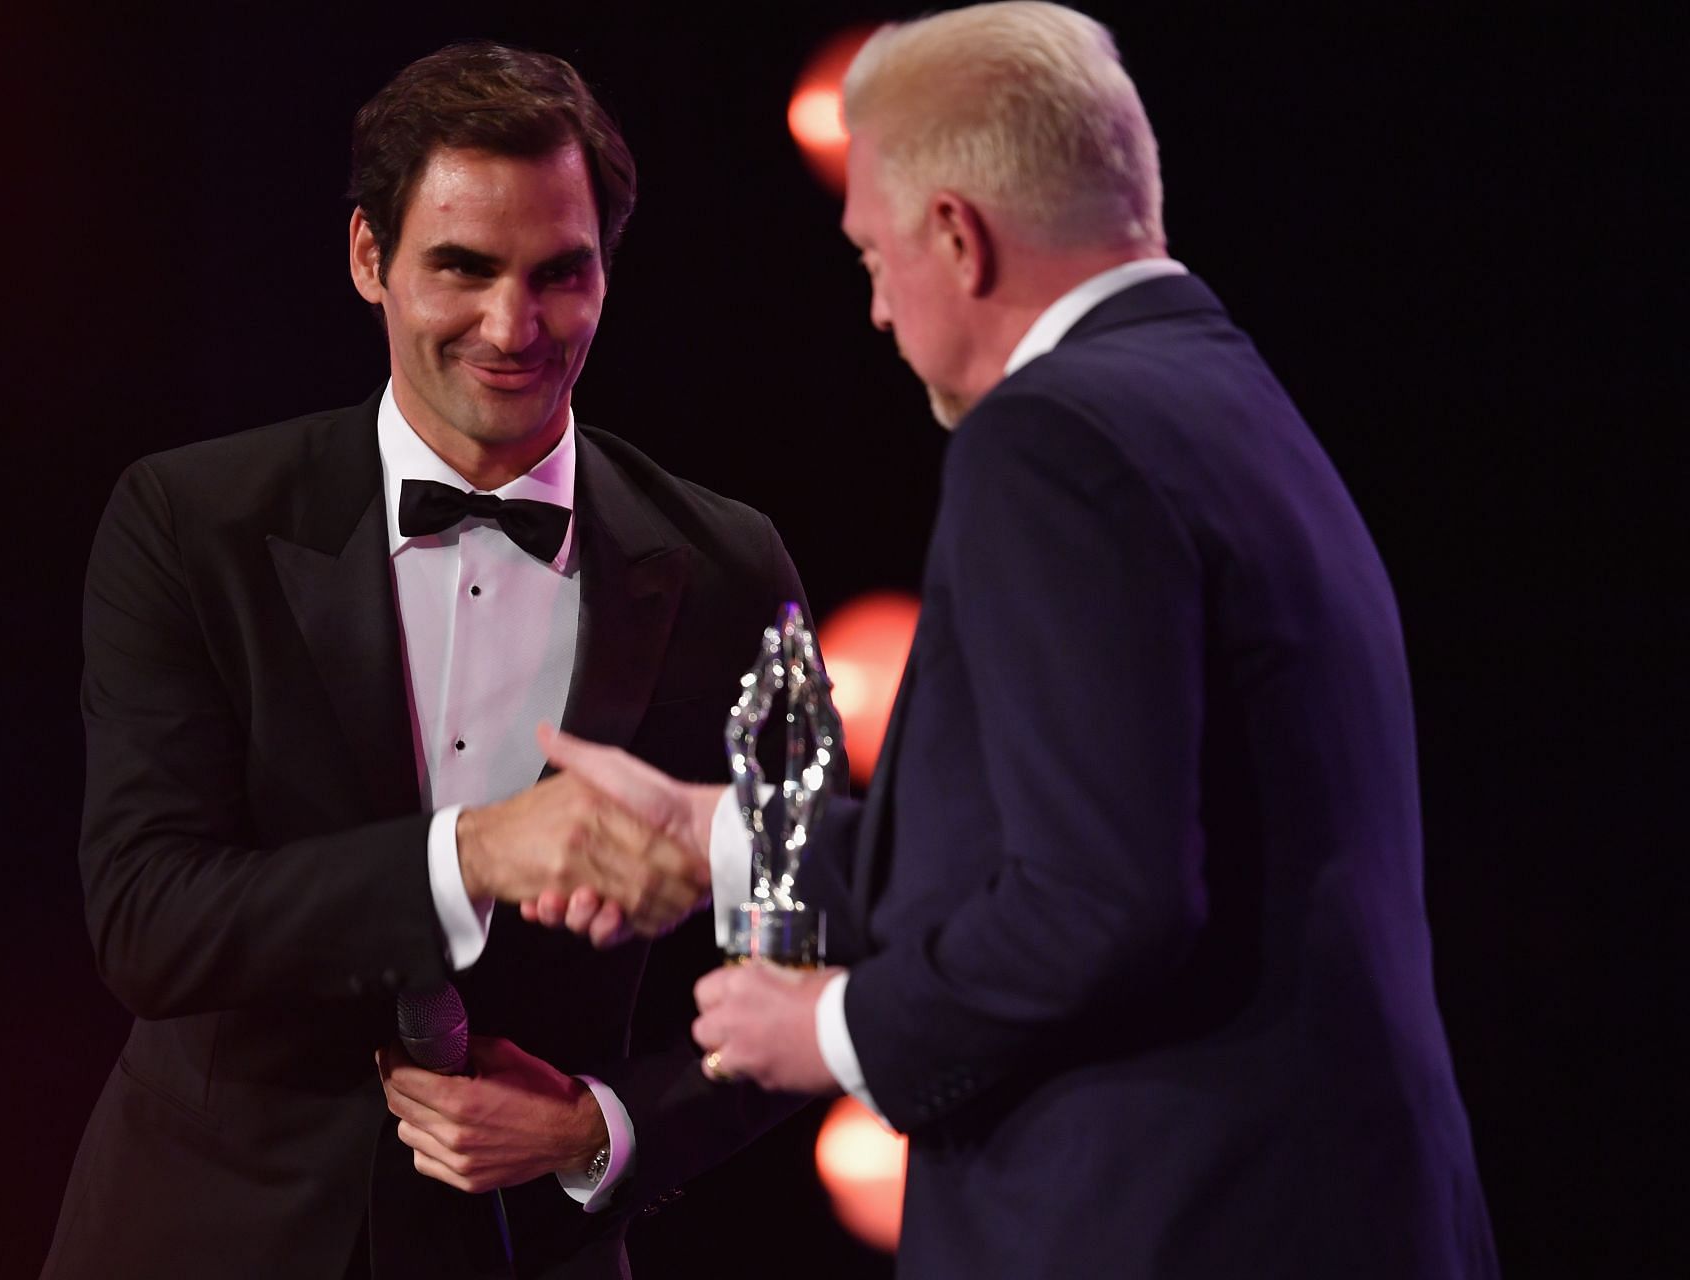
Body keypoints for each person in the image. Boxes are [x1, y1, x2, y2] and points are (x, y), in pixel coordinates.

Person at [540, 4, 1500, 1275]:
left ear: (956, 233)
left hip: (1161, 1222)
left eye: (874, 257)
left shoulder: (1049, 442)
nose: (878, 310)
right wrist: (712, 829)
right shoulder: (1224, 392)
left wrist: (833, 1031)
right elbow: (1053, 833)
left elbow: (1103, 900)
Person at [44, 42, 814, 1280]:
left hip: (527, 1250)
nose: (515, 326)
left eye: (560, 273)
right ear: (369, 259)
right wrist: (471, 855)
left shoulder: (727, 563)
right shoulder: (191, 520)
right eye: (462, 267)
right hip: (201, 1230)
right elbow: (146, 917)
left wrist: (602, 1127)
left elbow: (803, 950)